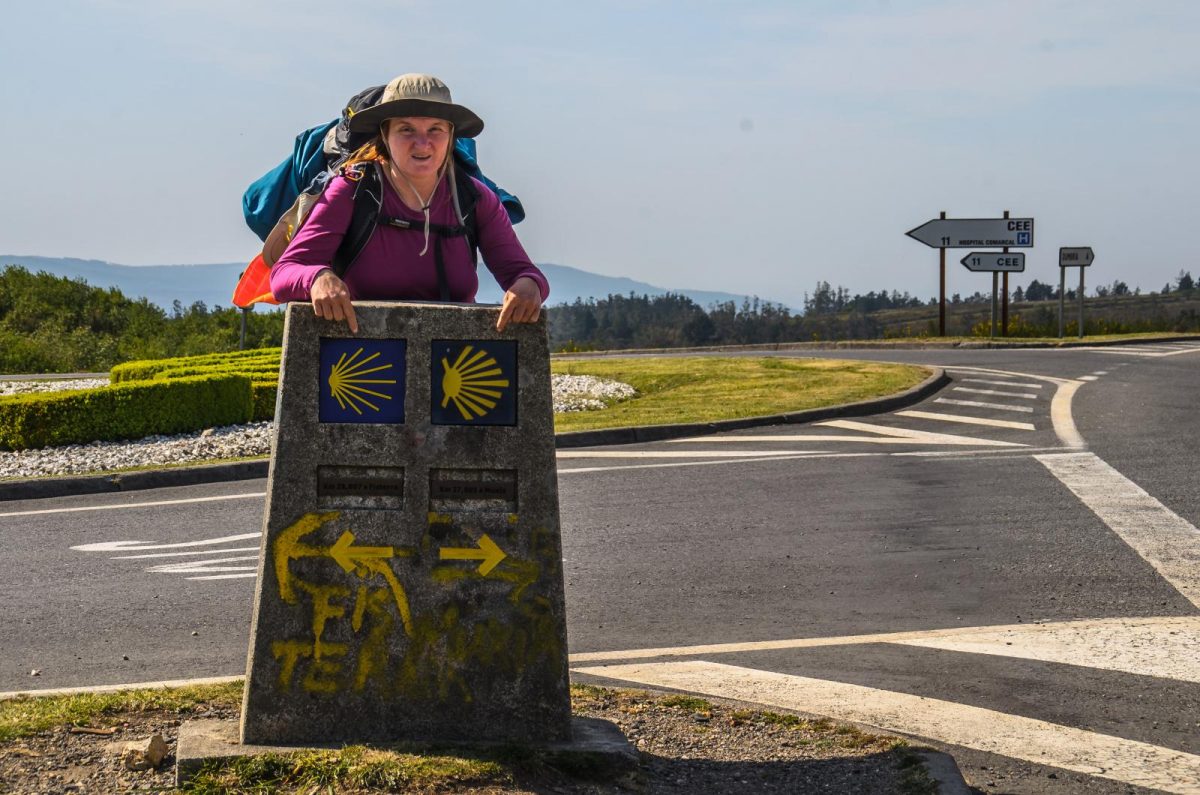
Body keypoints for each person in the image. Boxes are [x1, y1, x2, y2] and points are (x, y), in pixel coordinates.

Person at [269, 73, 548, 333]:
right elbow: (284, 273)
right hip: (358, 363)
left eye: (435, 129)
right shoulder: (352, 190)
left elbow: (523, 273)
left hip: (452, 361)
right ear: (385, 137)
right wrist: (318, 278)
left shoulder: (475, 198)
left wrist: (528, 286)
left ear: (451, 137)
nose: (422, 143)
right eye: (406, 130)